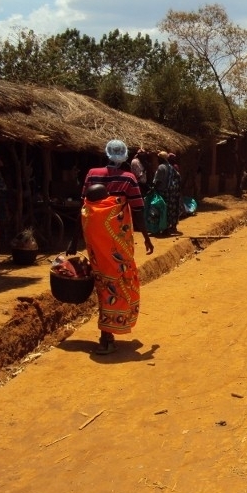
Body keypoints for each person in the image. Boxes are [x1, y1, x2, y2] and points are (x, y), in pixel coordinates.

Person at [66, 139, 154, 355]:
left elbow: (84, 208)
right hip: (117, 242)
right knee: (120, 281)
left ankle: (106, 334)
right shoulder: (129, 178)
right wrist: (146, 237)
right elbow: (138, 210)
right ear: (124, 157)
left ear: (106, 154)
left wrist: (74, 239)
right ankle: (107, 335)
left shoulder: (92, 174)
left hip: (95, 240)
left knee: (103, 282)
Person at [152, 151, 182, 235]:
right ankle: (167, 228)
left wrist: (153, 189)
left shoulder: (161, 167)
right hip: (170, 192)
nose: (157, 160)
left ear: (161, 158)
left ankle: (161, 228)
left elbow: (158, 181)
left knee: (160, 211)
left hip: (162, 192)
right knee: (167, 210)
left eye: (158, 158)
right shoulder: (170, 167)